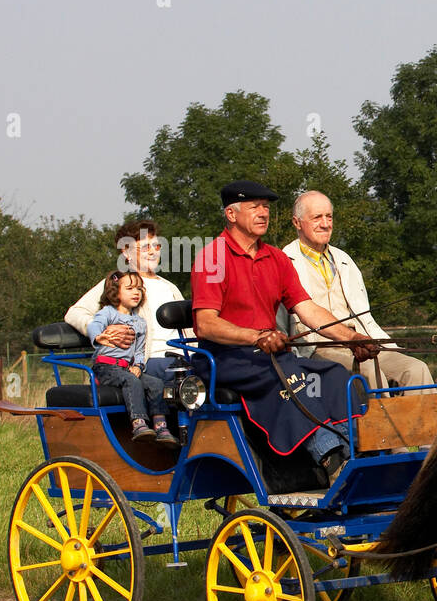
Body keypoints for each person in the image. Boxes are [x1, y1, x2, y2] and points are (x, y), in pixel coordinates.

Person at [190, 180, 380, 485]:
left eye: (266, 207)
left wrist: (351, 337)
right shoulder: (213, 259)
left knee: (333, 374)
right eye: (254, 207)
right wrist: (255, 336)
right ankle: (330, 456)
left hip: (271, 354)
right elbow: (206, 324)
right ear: (231, 213)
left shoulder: (276, 259)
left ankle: (354, 453)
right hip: (226, 358)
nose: (263, 213)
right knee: (287, 375)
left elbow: (307, 309)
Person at [282, 190, 434, 394]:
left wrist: (374, 342)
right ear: (297, 222)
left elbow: (364, 313)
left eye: (329, 216)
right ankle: (382, 425)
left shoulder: (344, 259)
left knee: (416, 369)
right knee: (369, 371)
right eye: (317, 217)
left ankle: (428, 426)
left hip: (362, 340)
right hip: (319, 347)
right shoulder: (284, 261)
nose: (326, 223)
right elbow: (282, 323)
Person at [66, 219, 188, 382]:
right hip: (147, 361)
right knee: (189, 371)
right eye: (145, 247)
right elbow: (74, 313)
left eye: (156, 246)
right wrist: (102, 332)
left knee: (214, 368)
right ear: (126, 252)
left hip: (184, 356)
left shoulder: (170, 287)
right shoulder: (118, 284)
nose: (153, 252)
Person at [87, 271, 180, 446]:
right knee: (132, 381)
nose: (136, 292)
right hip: (106, 367)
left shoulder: (139, 322)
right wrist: (98, 337)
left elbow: (139, 350)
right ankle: (138, 423)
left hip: (126, 368)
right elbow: (94, 325)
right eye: (129, 288)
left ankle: (161, 426)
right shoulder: (108, 313)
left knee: (156, 384)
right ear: (116, 292)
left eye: (139, 288)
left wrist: (139, 365)